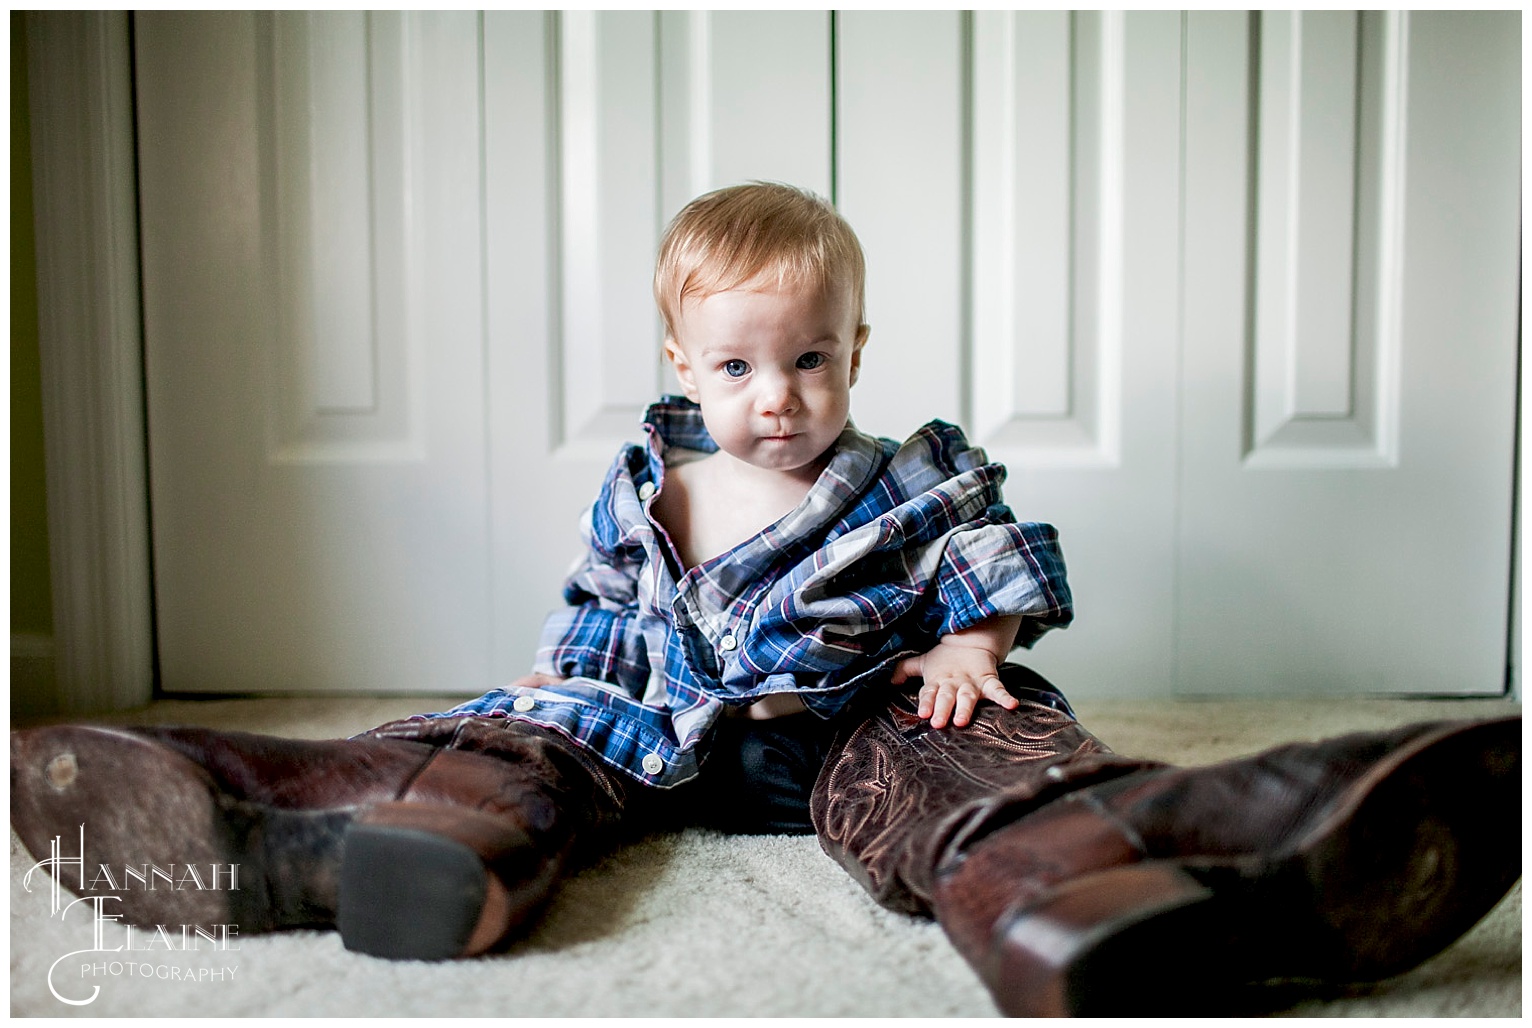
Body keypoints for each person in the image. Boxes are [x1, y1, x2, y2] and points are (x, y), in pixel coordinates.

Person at [12, 183, 1520, 1017]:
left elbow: (990, 561)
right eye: (738, 367)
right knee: (536, 736)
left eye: (812, 359)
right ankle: (384, 826)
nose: (779, 397)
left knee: (966, 753)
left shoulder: (903, 481)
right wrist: (550, 698)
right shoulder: (646, 488)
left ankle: (1092, 877)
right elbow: (596, 611)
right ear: (683, 367)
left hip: (851, 724)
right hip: (660, 719)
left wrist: (969, 647)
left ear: (858, 348)